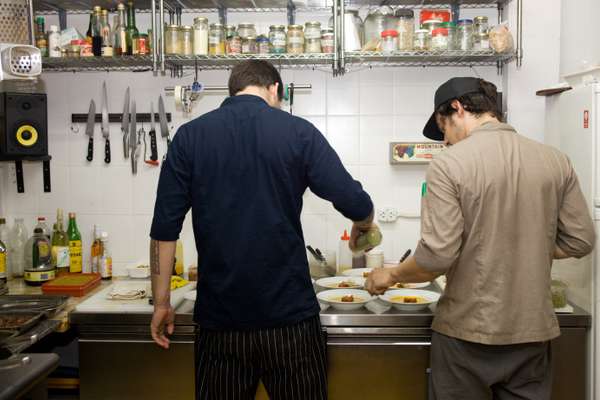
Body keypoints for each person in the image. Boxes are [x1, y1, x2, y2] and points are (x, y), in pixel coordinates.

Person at [149, 60, 375, 400]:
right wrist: (364, 225)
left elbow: (164, 229)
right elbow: (355, 202)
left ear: (234, 90)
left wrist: (162, 302)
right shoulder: (298, 132)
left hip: (220, 324)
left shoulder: (189, 137)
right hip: (290, 322)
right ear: (275, 90)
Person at [365, 77, 595, 400]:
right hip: (532, 335)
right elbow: (582, 240)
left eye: (443, 129)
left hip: (465, 336)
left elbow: (435, 257)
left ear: (458, 108)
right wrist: (528, 245)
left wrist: (389, 274)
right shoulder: (555, 160)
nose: (445, 141)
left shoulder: (448, 164)